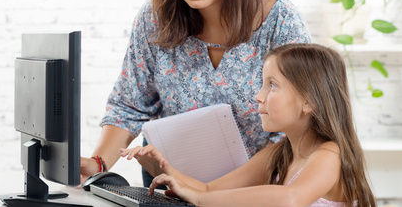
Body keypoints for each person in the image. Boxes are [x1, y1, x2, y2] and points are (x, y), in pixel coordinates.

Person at [81, 0, 311, 186]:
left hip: (254, 189)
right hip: (169, 186)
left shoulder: (280, 21)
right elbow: (130, 104)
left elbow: (294, 130)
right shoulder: (157, 17)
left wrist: (207, 193)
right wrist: (98, 164)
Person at [121, 43, 377, 206]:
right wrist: (165, 170)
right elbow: (210, 189)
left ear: (309, 102)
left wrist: (201, 198)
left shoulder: (330, 154)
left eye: (272, 85)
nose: (258, 95)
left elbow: (291, 199)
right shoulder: (280, 153)